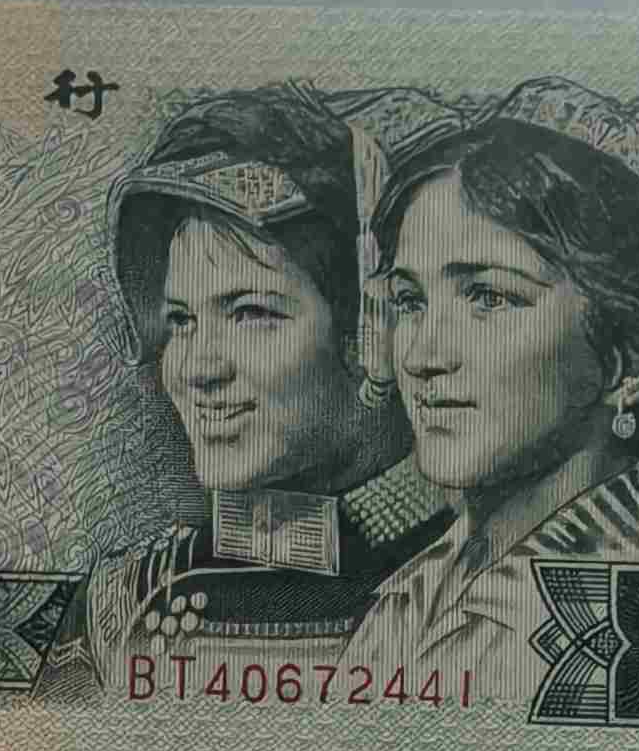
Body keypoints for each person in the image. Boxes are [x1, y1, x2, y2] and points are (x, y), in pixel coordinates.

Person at [59, 86, 446, 692]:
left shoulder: (494, 585)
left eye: (250, 313)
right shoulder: (124, 604)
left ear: (370, 330)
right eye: (181, 321)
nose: (197, 368)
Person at [344, 81, 639, 704]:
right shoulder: (414, 591)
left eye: (489, 297)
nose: (420, 357)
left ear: (627, 364)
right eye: (410, 301)